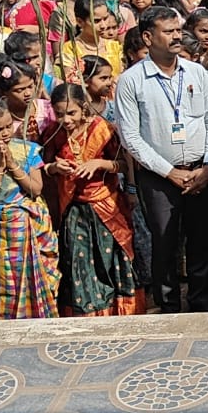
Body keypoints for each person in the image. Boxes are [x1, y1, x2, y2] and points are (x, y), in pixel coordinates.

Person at [116, 6, 208, 313]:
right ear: (148, 37)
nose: (178, 36)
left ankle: (201, 301)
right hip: (159, 177)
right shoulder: (132, 81)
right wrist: (169, 172)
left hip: (200, 170)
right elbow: (131, 138)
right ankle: (168, 307)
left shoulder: (197, 73)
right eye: (169, 31)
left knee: (200, 239)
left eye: (178, 30)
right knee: (165, 243)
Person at [42, 83, 140, 317]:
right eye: (59, 114)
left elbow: (125, 165)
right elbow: (42, 167)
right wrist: (55, 167)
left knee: (109, 261)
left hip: (107, 205)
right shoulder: (53, 134)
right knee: (79, 263)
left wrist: (99, 164)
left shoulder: (103, 129)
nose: (65, 119)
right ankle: (88, 314)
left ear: (83, 108)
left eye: (71, 113)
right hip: (74, 209)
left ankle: (118, 311)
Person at [0, 98, 60, 319]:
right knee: (9, 280)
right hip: (1, 229)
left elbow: (35, 189)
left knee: (41, 277)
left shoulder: (28, 150)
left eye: (8, 126)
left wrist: (14, 165)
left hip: (32, 224)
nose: (5, 133)